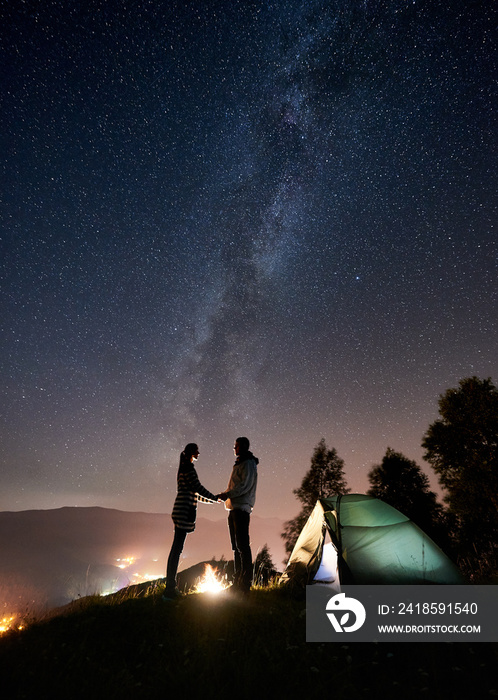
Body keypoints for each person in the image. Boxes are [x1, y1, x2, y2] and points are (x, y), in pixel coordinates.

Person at [164, 443, 218, 599]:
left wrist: (213, 500)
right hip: (183, 512)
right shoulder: (188, 467)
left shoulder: (184, 467)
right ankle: (170, 588)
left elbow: (195, 493)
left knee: (176, 549)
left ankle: (170, 586)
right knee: (176, 550)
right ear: (191, 452)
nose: (199, 453)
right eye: (196, 450)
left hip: (181, 511)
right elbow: (198, 487)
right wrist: (214, 497)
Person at [218, 437, 259, 594]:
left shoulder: (248, 464)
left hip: (241, 508)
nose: (234, 448)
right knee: (237, 545)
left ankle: (245, 582)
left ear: (243, 447)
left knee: (242, 545)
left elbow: (243, 486)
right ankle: (238, 581)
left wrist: (227, 494)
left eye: (236, 446)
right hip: (234, 507)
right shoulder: (242, 462)